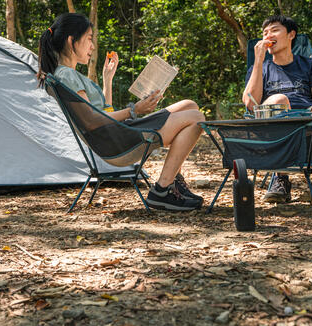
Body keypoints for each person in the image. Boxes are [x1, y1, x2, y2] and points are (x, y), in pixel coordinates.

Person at [38, 13, 206, 211]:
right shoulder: (67, 75)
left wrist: (107, 79)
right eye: (89, 39)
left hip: (113, 136)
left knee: (189, 105)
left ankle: (173, 183)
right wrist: (134, 110)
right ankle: (162, 190)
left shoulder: (66, 75)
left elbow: (101, 114)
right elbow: (93, 121)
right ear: (71, 40)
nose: (92, 46)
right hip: (118, 142)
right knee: (196, 118)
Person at [242, 15, 312, 204]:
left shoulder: (311, 64)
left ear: (291, 35)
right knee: (280, 99)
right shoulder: (261, 67)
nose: (268, 35)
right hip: (273, 128)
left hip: (308, 122)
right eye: (264, 33)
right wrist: (257, 61)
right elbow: (250, 103)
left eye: (274, 30)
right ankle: (280, 178)